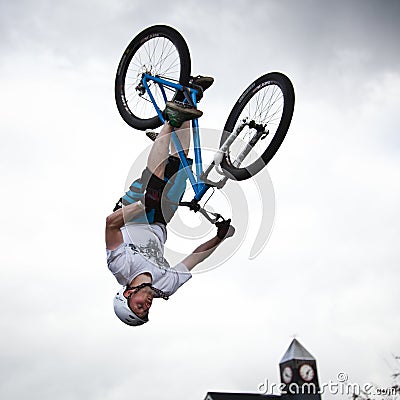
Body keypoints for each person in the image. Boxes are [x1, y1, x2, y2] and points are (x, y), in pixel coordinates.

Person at [105, 77, 235, 326]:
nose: (146, 305)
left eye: (138, 306)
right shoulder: (165, 285)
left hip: (133, 214)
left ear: (127, 295)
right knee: (181, 166)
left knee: (155, 183)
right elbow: (194, 259)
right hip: (161, 222)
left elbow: (110, 224)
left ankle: (169, 123)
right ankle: (189, 95)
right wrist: (219, 237)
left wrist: (141, 205)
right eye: (146, 311)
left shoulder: (120, 267)